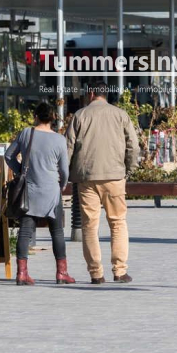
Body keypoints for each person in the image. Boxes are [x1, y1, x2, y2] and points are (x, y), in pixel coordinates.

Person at [66, 80, 141, 285]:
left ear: (91, 93)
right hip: (114, 176)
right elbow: (133, 146)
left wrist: (65, 174)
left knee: (90, 225)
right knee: (117, 223)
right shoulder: (120, 115)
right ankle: (120, 270)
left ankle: (96, 273)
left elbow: (68, 148)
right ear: (105, 94)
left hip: (86, 177)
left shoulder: (80, 116)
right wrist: (129, 170)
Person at [4, 102, 73, 286]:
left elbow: (9, 155)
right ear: (52, 118)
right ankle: (62, 273)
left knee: (25, 231)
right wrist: (62, 185)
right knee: (57, 232)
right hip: (52, 192)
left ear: (35, 116)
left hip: (30, 191)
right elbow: (65, 171)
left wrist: (20, 172)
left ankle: (22, 273)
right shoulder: (59, 140)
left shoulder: (27, 134)